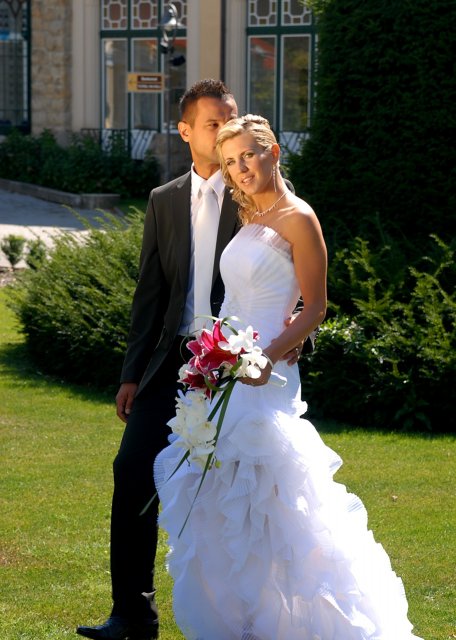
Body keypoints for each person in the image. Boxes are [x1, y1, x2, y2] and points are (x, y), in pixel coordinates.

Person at [154, 115, 423, 639]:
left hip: (264, 375)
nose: (240, 168)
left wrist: (267, 357)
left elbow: (315, 305)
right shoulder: (249, 213)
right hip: (226, 369)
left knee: (275, 501)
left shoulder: (299, 218)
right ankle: (248, 620)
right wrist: (211, 358)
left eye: (248, 155)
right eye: (230, 162)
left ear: (273, 151)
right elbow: (238, 298)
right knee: (224, 499)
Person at [76, 82, 300, 640]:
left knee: (247, 494)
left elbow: (293, 278)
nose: (227, 131)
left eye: (232, 119)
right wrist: (131, 373)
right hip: (173, 363)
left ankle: (264, 617)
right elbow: (150, 294)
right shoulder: (164, 199)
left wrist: (289, 341)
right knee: (132, 471)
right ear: (186, 132)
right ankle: (132, 616)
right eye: (213, 124)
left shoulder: (256, 190)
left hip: (238, 365)